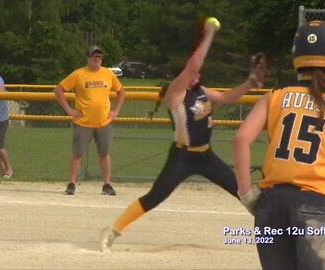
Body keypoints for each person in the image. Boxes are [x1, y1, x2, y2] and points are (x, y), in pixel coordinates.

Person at [100, 18, 267, 251]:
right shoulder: (175, 94)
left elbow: (227, 97)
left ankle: (275, 234)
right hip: (182, 157)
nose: (197, 74)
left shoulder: (202, 92)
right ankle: (113, 230)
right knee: (155, 197)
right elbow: (193, 66)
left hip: (206, 157)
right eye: (193, 72)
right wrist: (209, 34)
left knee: (243, 191)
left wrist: (250, 83)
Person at [233, 21, 325, 270]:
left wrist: (246, 193)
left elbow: (240, 140)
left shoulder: (276, 95)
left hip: (273, 203)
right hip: (319, 206)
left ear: (297, 57)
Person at [54, 46, 126, 196]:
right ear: (88, 58)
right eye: (94, 56)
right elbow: (59, 89)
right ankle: (72, 183)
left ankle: (106, 184)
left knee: (104, 153)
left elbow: (121, 92)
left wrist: (116, 111)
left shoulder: (108, 74)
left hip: (103, 121)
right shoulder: (79, 74)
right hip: (83, 121)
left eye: (99, 56)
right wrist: (69, 110)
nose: (97, 59)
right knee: (78, 153)